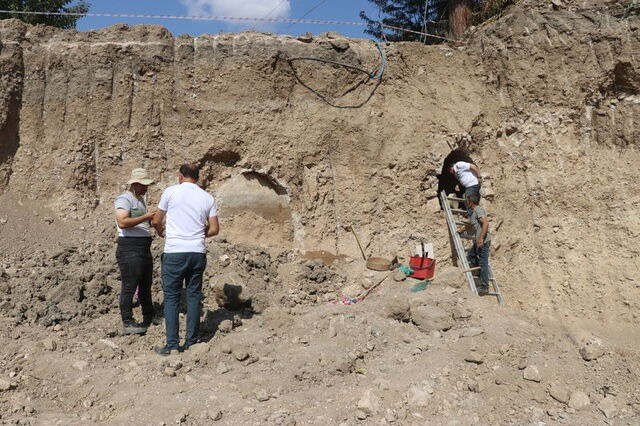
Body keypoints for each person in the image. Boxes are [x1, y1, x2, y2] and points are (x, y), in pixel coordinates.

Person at [152, 163, 220, 355]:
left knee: (172, 298)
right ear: (197, 178)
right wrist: (197, 234)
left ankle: (172, 345)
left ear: (180, 176)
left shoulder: (170, 192)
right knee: (193, 297)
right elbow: (214, 229)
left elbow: (157, 220)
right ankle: (192, 342)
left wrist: (161, 232)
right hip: (197, 252)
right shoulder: (207, 197)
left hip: (174, 252)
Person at [114, 168, 157, 335]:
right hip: (130, 248)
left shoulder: (140, 199)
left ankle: (149, 315)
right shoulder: (124, 199)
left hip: (143, 247)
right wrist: (146, 217)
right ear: (135, 184)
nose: (146, 188)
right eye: (144, 185)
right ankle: (128, 321)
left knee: (145, 285)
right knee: (129, 286)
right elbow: (123, 222)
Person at [465, 192, 491, 295]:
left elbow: (485, 223)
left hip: (483, 241)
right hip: (479, 241)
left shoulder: (479, 210)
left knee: (483, 263)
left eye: (467, 200)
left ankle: (485, 287)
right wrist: (461, 230)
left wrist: (481, 239)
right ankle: (481, 274)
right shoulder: (474, 212)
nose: (466, 202)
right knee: (471, 254)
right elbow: (471, 225)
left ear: (471, 202)